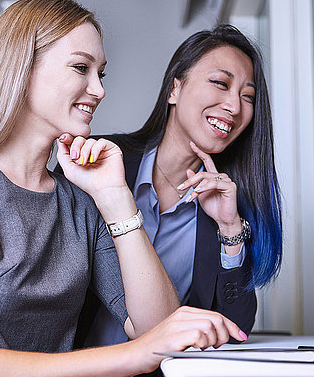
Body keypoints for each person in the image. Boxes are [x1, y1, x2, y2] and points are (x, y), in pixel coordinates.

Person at [0, 0, 247, 377]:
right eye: (81, 67)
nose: (99, 90)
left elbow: (155, 326)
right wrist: (136, 355)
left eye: (101, 74)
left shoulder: (79, 200)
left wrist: (115, 198)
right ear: (21, 69)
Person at [71, 25, 283, 348]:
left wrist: (229, 229)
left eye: (247, 97)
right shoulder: (100, 163)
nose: (235, 107)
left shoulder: (229, 203)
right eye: (221, 83)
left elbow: (236, 328)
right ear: (174, 89)